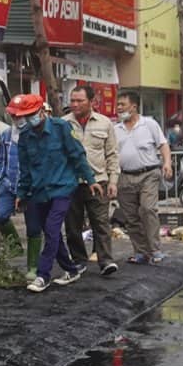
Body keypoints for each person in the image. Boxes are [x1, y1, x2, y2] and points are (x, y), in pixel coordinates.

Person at [8, 93, 95, 293]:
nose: (26, 120)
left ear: (41, 111)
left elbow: (77, 155)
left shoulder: (61, 128)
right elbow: (26, 169)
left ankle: (43, 275)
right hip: (39, 191)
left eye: (29, 115)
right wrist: (21, 193)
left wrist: (90, 180)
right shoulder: (25, 138)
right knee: (50, 231)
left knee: (52, 228)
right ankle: (71, 269)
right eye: (22, 116)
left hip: (63, 187)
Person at [61, 84, 120, 275]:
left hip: (99, 180)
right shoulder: (63, 124)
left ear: (91, 102)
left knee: (101, 222)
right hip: (71, 183)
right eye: (73, 101)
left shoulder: (104, 123)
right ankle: (79, 260)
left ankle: (106, 261)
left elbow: (112, 154)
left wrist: (113, 181)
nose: (75, 104)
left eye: (80, 101)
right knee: (72, 225)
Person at [115, 95, 172, 265]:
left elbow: (163, 144)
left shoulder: (149, 124)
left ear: (133, 107)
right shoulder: (115, 129)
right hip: (124, 176)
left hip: (149, 174)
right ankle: (140, 252)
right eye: (117, 104)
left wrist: (167, 163)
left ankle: (155, 250)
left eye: (122, 104)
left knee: (148, 209)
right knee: (130, 217)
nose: (118, 108)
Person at [0, 117, 21, 246]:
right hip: (9, 184)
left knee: (35, 226)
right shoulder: (6, 135)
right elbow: (1, 162)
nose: (17, 119)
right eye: (14, 115)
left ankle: (36, 260)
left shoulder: (33, 134)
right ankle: (14, 246)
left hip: (28, 187)